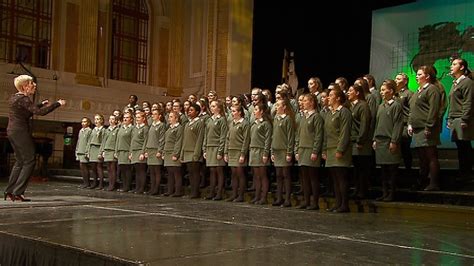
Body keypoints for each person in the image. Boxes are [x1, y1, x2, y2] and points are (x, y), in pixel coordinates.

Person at [4, 75, 65, 202]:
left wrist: (40, 104)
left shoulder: (15, 97)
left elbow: (26, 111)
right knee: (30, 160)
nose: (34, 85)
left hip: (12, 131)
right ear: (25, 86)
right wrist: (57, 104)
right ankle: (18, 192)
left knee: (20, 161)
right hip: (20, 131)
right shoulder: (24, 99)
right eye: (32, 83)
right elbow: (40, 112)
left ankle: (9, 191)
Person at [408, 65, 443, 191]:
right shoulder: (418, 90)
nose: (417, 76)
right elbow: (413, 110)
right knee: (422, 157)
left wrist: (429, 126)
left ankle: (434, 183)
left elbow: (433, 110)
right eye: (416, 74)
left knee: (431, 156)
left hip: (427, 128)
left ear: (427, 76)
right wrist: (410, 124)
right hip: (417, 128)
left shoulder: (432, 89)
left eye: (419, 74)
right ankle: (422, 181)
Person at [373, 80, 403, 201]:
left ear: (391, 91)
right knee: (383, 170)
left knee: (392, 170)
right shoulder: (381, 106)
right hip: (380, 141)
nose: (382, 92)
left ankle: (392, 193)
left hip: (389, 140)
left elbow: (398, 125)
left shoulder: (396, 106)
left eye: (384, 90)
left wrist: (394, 141)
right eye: (381, 90)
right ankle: (384, 193)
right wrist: (374, 138)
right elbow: (377, 124)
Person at [323, 88, 352, 213]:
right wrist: (324, 149)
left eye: (331, 95)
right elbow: (326, 133)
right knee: (334, 178)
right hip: (330, 148)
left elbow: (345, 132)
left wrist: (340, 149)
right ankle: (338, 202)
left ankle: (344, 204)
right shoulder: (329, 113)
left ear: (338, 98)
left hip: (339, 148)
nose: (328, 98)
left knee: (341, 177)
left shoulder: (344, 112)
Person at [295, 93, 324, 210]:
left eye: (306, 100)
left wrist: (315, 151)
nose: (303, 103)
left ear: (312, 102)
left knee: (313, 178)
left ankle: (314, 202)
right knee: (304, 178)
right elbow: (298, 135)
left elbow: (318, 135)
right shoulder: (303, 117)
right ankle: (306, 201)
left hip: (311, 150)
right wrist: (296, 149)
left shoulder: (316, 117)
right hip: (302, 150)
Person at [448, 58, 474, 181]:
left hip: (462, 118)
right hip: (455, 118)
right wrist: (449, 119)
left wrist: (465, 119)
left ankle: (467, 173)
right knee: (461, 147)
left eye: (454, 64)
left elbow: (468, 102)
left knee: (465, 146)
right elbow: (452, 102)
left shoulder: (467, 82)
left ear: (462, 67)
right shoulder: (455, 83)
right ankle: (463, 172)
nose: (451, 66)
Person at [347, 84, 372, 199]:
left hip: (361, 142)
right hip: (353, 141)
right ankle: (357, 190)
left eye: (350, 91)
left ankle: (362, 191)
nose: (348, 92)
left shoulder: (363, 106)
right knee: (356, 168)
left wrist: (360, 140)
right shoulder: (351, 106)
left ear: (357, 93)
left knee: (362, 168)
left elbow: (364, 124)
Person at [271, 98, 295, 207]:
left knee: (286, 175)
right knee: (278, 175)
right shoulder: (275, 118)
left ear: (284, 107)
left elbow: (290, 137)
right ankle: (279, 197)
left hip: (284, 150)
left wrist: (289, 152)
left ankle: (287, 199)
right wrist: (272, 151)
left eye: (278, 105)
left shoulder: (288, 119)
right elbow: (273, 135)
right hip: (276, 151)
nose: (276, 107)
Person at [203, 100, 228, 200]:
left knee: (219, 170)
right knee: (212, 170)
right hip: (209, 147)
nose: (211, 108)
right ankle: (212, 191)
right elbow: (206, 135)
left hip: (217, 147)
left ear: (219, 108)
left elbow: (223, 136)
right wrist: (204, 148)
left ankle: (219, 192)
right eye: (211, 106)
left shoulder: (221, 120)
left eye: (214, 106)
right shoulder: (209, 120)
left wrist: (220, 151)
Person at [224, 105, 250, 202]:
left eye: (234, 111)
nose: (232, 113)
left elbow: (246, 140)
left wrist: (243, 154)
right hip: (231, 151)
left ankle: (241, 195)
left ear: (239, 112)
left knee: (240, 173)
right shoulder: (231, 123)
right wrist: (226, 152)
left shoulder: (244, 123)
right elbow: (227, 138)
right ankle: (234, 194)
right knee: (233, 174)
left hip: (239, 151)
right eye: (232, 111)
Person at [248, 102, 272, 204]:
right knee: (256, 176)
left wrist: (266, 153)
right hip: (253, 151)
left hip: (261, 151)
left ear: (262, 111)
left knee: (263, 175)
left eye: (256, 110)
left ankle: (264, 197)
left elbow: (267, 140)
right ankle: (257, 196)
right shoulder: (253, 124)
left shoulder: (266, 124)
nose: (254, 112)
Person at [180, 103, 205, 198]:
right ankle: (192, 192)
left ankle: (195, 192)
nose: (189, 112)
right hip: (187, 151)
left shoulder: (199, 122)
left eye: (191, 110)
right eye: (189, 110)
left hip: (194, 151)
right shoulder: (187, 124)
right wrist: (182, 152)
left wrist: (197, 153)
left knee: (195, 173)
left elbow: (199, 139)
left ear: (197, 112)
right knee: (190, 173)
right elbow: (184, 139)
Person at [394, 73, 414, 175]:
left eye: (398, 79)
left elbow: (412, 110)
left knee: (405, 150)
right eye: (395, 78)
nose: (395, 80)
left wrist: (410, 124)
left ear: (405, 81)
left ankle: (408, 172)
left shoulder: (409, 93)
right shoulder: (394, 94)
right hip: (394, 126)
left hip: (404, 125)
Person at [163, 111, 184, 197]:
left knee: (176, 173)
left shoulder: (179, 128)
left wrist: (176, 154)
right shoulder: (169, 128)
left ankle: (178, 191)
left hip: (173, 152)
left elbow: (178, 142)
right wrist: (164, 151)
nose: (169, 119)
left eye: (171, 117)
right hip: (168, 152)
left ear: (176, 118)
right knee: (170, 173)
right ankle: (170, 190)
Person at [100, 114, 119, 191]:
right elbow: (104, 141)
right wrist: (103, 151)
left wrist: (116, 151)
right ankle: (110, 184)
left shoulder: (117, 130)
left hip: (113, 150)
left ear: (116, 121)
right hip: (107, 150)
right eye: (110, 119)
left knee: (113, 168)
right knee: (108, 168)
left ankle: (112, 185)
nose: (111, 121)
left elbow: (117, 141)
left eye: (113, 119)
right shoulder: (107, 130)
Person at [86, 114, 106, 189]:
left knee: (99, 167)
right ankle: (94, 182)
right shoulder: (93, 129)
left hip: (98, 148)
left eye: (98, 119)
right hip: (92, 149)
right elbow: (89, 141)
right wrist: (88, 151)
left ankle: (101, 183)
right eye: (95, 119)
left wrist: (101, 152)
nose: (96, 121)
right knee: (93, 167)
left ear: (101, 120)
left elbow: (103, 142)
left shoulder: (103, 130)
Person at [76, 117, 92, 189]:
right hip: (80, 151)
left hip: (84, 152)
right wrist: (76, 151)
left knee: (85, 167)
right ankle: (84, 182)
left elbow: (89, 142)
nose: (83, 123)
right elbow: (78, 142)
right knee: (81, 167)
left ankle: (87, 183)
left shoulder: (89, 131)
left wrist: (87, 151)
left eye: (85, 122)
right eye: (82, 122)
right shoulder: (81, 131)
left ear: (88, 123)